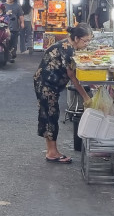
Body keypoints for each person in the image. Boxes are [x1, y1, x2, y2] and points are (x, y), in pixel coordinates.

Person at [33, 26, 93, 163]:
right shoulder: (68, 49)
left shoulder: (67, 45)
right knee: (51, 115)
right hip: (46, 84)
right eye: (85, 41)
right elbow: (72, 76)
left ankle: (51, 150)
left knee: (48, 114)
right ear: (76, 38)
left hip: (46, 82)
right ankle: (52, 153)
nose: (87, 44)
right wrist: (85, 97)